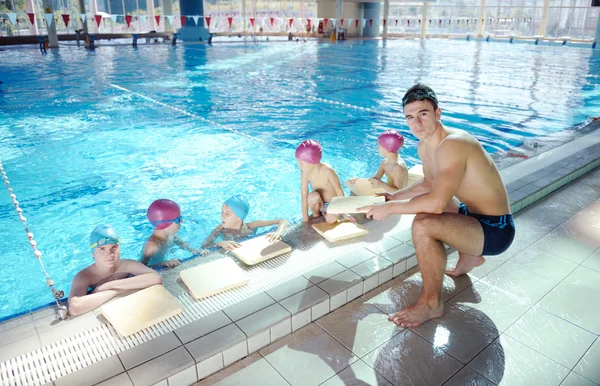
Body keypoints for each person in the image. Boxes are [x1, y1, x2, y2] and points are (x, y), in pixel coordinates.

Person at [358, 84, 515, 327]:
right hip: (472, 216)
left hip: (496, 230)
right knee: (429, 202)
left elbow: (437, 202)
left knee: (423, 223)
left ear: (437, 114)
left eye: (423, 114)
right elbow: (429, 183)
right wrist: (394, 197)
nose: (416, 123)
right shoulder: (426, 145)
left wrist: (389, 210)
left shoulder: (453, 144)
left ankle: (432, 304)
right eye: (410, 117)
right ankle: (469, 258)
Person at [68, 225, 162, 316]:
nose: (109, 254)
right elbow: (75, 307)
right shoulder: (84, 276)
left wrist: (109, 285)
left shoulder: (126, 265)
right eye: (102, 249)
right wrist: (117, 291)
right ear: (93, 253)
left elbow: (156, 278)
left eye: (114, 247)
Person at [296, 140, 354, 224]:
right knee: (312, 197)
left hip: (333, 203)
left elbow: (339, 190)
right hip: (321, 204)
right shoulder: (304, 173)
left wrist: (344, 213)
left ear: (312, 162)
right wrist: (306, 221)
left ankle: (328, 214)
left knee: (331, 220)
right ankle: (317, 215)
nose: (299, 166)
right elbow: (304, 196)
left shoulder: (328, 171)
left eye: (301, 163)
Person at [202, 195, 288, 251]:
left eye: (227, 214)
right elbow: (205, 245)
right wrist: (220, 243)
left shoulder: (251, 226)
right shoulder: (220, 229)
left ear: (240, 217)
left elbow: (282, 220)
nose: (222, 216)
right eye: (222, 212)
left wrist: (279, 232)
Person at [141, 199, 207, 268]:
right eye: (178, 219)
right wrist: (161, 264)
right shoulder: (152, 246)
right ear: (165, 223)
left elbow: (184, 245)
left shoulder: (171, 236)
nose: (181, 221)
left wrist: (197, 251)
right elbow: (140, 268)